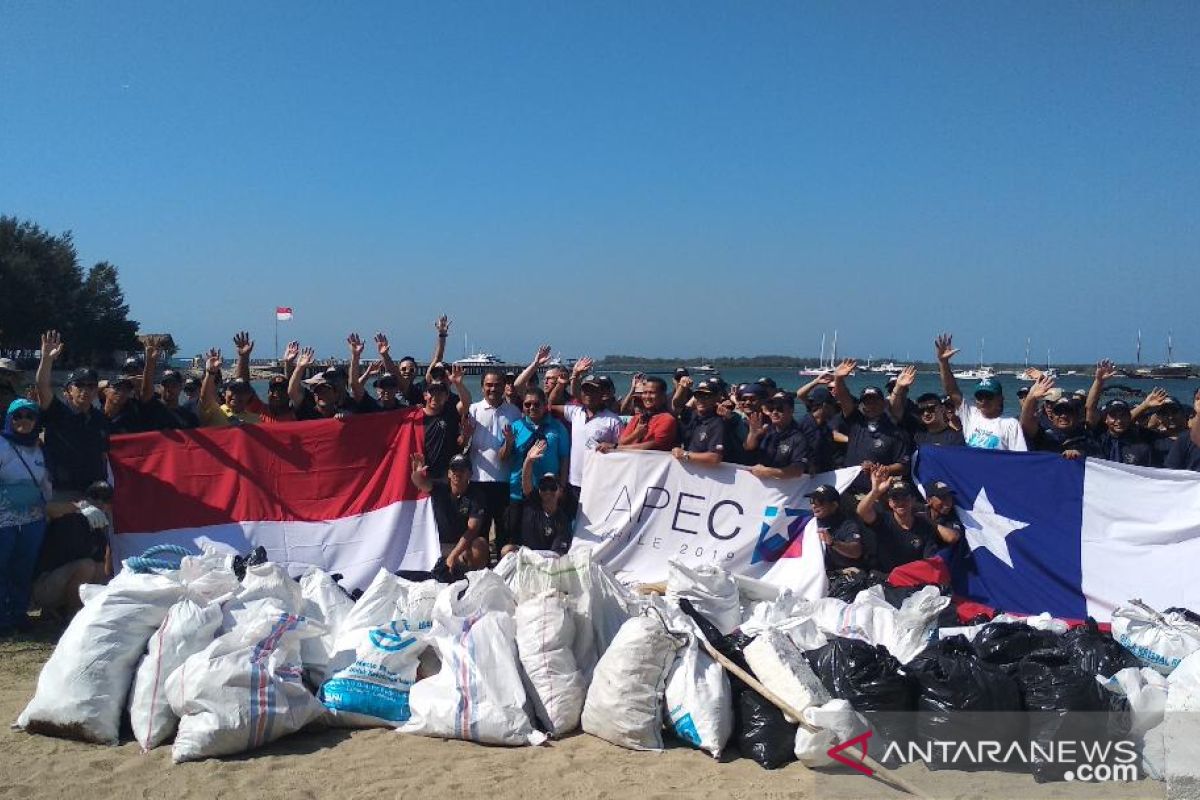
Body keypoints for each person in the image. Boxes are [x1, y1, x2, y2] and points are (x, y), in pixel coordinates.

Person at [35, 331, 110, 510]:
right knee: (64, 537)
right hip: (62, 493)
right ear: (68, 390)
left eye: (91, 385)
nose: (85, 390)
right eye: (80, 385)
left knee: (96, 537)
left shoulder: (100, 419)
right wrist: (46, 359)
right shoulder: (56, 412)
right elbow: (42, 386)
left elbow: (104, 455)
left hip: (95, 494)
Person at [0, 399, 53, 635]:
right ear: (9, 419)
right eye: (18, 415)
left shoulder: (39, 448)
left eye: (29, 416)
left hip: (33, 519)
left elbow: (45, 482)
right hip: (3, 519)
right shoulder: (1, 444)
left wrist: (49, 507)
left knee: (23, 568)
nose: (23, 420)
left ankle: (19, 614)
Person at [31, 481, 112, 620]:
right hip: (43, 587)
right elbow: (47, 508)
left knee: (102, 569)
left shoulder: (98, 526)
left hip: (65, 582)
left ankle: (82, 611)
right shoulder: (70, 520)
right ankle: (72, 614)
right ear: (87, 499)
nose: (100, 503)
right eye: (95, 497)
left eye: (105, 500)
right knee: (86, 566)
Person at [935, 333, 1026, 451]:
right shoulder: (971, 415)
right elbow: (952, 391)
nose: (983, 400)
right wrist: (943, 362)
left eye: (989, 396)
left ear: (1000, 399)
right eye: (979, 396)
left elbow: (1019, 457)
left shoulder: (1010, 424)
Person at [832, 359, 910, 494]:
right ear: (862, 405)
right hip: (849, 489)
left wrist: (880, 469)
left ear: (883, 403)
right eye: (867, 402)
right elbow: (844, 397)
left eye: (875, 401)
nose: (871, 405)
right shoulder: (856, 421)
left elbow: (903, 466)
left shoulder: (894, 429)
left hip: (878, 493)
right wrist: (838, 378)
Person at [466, 369, 521, 555]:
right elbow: (463, 443)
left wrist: (509, 442)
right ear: (482, 388)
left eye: (497, 384)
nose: (493, 388)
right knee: (479, 533)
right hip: (477, 481)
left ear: (504, 386)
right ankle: (480, 572)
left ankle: (503, 573)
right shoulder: (473, 409)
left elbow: (510, 450)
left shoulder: (514, 412)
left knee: (504, 531)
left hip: (504, 481)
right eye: (489, 385)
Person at [554, 362, 622, 511]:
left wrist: (613, 448)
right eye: (585, 391)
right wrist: (569, 379)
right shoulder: (575, 412)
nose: (588, 395)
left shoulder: (613, 420)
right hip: (573, 483)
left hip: (598, 483)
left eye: (593, 391)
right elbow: (550, 405)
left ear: (602, 394)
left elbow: (623, 450)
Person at [410, 452, 489, 576]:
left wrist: (453, 555)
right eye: (454, 469)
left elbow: (472, 530)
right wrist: (416, 473)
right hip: (438, 545)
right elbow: (421, 482)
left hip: (462, 547)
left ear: (470, 474)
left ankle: (474, 579)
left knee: (481, 544)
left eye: (462, 470)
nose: (457, 473)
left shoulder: (477, 496)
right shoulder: (439, 487)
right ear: (448, 473)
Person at [856, 468, 940, 574]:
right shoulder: (882, 520)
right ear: (890, 503)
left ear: (913, 500)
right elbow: (861, 512)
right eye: (896, 498)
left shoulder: (924, 526)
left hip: (914, 580)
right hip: (884, 580)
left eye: (905, 498)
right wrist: (875, 491)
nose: (900, 502)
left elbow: (929, 561)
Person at [507, 387, 570, 528]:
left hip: (548, 491)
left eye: (536, 404)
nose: (532, 408)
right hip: (519, 490)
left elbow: (564, 458)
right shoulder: (516, 427)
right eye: (527, 404)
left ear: (545, 404)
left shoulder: (557, 427)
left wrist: (563, 486)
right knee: (515, 534)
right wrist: (508, 443)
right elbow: (505, 456)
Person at [504, 441, 573, 556]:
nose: (548, 491)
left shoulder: (563, 520)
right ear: (539, 490)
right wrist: (528, 460)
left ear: (559, 491)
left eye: (552, 487)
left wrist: (536, 557)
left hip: (548, 561)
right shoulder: (533, 504)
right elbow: (526, 481)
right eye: (544, 487)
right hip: (526, 556)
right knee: (506, 550)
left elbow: (557, 554)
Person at [1085, 361, 1153, 466]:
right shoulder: (1096, 439)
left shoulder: (1141, 447)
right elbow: (1090, 408)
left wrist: (1146, 405)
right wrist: (1099, 381)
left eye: (1123, 416)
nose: (1119, 420)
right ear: (1105, 419)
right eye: (1113, 416)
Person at [1021, 377, 1090, 458]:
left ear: (1077, 415)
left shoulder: (1087, 437)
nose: (1063, 415)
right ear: (1052, 415)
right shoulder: (1044, 435)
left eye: (1069, 411)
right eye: (1058, 411)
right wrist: (1031, 397)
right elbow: (1026, 422)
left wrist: (1080, 455)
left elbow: (1099, 463)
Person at [745, 391, 808, 480]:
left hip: (785, 489)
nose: (774, 412)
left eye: (780, 409)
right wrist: (752, 434)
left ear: (791, 410)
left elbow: (797, 470)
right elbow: (748, 448)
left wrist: (767, 471)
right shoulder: (766, 431)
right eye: (771, 408)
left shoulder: (799, 438)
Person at [806, 484, 868, 573]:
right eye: (812, 501)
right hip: (818, 574)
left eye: (819, 501)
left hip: (845, 573)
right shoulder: (808, 524)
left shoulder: (847, 524)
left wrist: (832, 543)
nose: (814, 505)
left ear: (834, 505)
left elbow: (856, 551)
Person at [138, 340, 199, 429]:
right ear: (159, 387)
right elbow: (145, 391)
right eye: (166, 385)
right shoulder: (151, 409)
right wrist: (150, 362)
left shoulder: (189, 417)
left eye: (174, 385)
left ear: (181, 387)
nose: (169, 389)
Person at [673, 379, 727, 466]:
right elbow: (676, 404)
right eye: (698, 395)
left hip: (706, 473)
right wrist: (682, 388)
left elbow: (715, 457)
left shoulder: (717, 423)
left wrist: (685, 455)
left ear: (715, 398)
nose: (701, 399)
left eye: (707, 396)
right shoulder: (690, 415)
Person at [617, 375, 678, 451]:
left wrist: (614, 448)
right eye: (645, 392)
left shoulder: (667, 419)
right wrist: (636, 434)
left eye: (652, 393)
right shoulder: (637, 418)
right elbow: (621, 442)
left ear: (663, 396)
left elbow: (649, 447)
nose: (647, 396)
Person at [1164, 388, 1200, 472]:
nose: (1170, 417)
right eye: (1198, 399)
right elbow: (1170, 473)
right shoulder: (1185, 439)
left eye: (1174, 412)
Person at [922, 480, 964, 545]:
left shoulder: (953, 518)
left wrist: (927, 521)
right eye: (943, 497)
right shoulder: (918, 510)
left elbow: (952, 537)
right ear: (929, 500)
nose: (948, 502)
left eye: (949, 497)